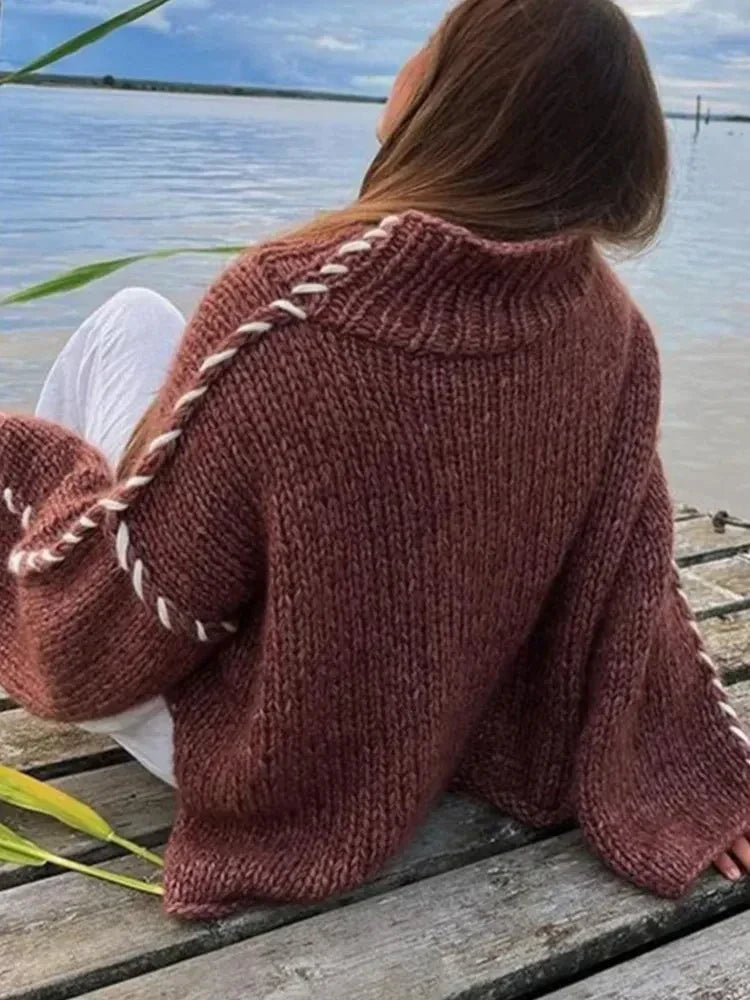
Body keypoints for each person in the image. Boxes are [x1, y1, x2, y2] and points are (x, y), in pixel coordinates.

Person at [1, 0, 749, 919]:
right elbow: (631, 576)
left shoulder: (288, 305)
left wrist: (33, 488)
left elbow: (120, 627)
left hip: (255, 758)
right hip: (433, 742)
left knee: (124, 323)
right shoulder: (616, 334)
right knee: (151, 325)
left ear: (459, 96)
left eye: (429, 45)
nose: (407, 64)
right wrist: (692, 763)